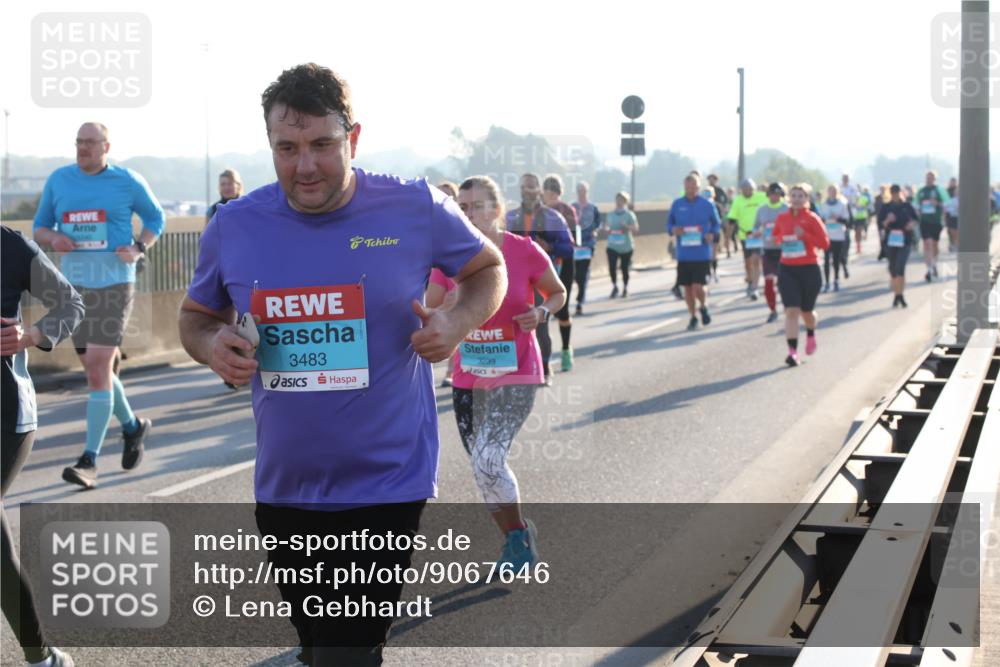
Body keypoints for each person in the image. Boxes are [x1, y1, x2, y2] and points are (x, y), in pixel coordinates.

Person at [179, 64, 506, 666]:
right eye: (288, 148)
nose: (305, 166)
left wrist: (456, 324)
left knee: (346, 656)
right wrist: (211, 346)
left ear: (353, 138)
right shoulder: (234, 224)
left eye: (323, 145)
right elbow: (196, 316)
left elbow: (488, 269)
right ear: (271, 146)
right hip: (286, 485)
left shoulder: (414, 206)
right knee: (317, 650)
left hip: (387, 478)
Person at [426, 176, 565, 570]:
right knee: (482, 467)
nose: (467, 213)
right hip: (468, 376)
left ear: (497, 209)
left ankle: (518, 540)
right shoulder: (449, 257)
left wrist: (540, 312)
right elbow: (426, 304)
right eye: (462, 206)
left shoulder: (525, 250)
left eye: (475, 205)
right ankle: (516, 535)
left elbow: (557, 293)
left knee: (488, 458)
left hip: (517, 371)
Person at [33, 122, 162, 489]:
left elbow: (156, 219)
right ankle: (133, 428)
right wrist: (54, 236)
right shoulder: (59, 180)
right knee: (98, 372)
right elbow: (39, 227)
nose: (83, 148)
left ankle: (89, 461)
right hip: (73, 289)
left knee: (96, 368)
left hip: (115, 285)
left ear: (107, 146)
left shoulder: (127, 181)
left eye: (90, 142)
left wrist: (139, 247)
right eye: (79, 142)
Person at [2, 226, 84, 667]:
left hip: (4, 415)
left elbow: (72, 304)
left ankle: (41, 657)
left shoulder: (10, 246)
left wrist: (30, 335)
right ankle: (42, 656)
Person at [506, 173, 572, 386]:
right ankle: (515, 368)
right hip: (514, 280)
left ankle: (544, 366)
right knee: (514, 325)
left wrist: (550, 247)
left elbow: (569, 247)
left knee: (540, 324)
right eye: (525, 187)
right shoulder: (509, 218)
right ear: (520, 189)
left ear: (539, 190)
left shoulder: (553, 217)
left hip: (540, 279)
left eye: (533, 187)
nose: (529, 191)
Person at [768, 184, 830, 366]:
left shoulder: (812, 219)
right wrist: (779, 239)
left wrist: (805, 236)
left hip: (809, 269)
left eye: (800, 196)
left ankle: (811, 333)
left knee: (807, 312)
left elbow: (825, 244)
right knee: (791, 311)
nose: (796, 199)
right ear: (788, 198)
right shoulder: (782, 217)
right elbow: (776, 236)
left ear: (806, 199)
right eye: (793, 195)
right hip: (787, 269)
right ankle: (792, 352)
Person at [667, 174, 720, 331]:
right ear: (684, 187)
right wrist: (674, 229)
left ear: (698, 187)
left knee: (698, 286)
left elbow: (717, 224)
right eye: (687, 187)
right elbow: (669, 225)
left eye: (693, 187)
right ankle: (693, 316)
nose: (690, 190)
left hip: (701, 253)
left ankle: (703, 306)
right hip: (684, 254)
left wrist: (712, 234)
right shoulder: (677, 204)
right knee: (687, 289)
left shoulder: (707, 205)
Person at [541, 175, 578, 372]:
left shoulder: (567, 211)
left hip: (564, 262)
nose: (551, 197)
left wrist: (551, 246)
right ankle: (543, 360)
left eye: (554, 193)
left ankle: (565, 349)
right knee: (541, 313)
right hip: (542, 265)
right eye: (547, 193)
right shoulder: (535, 212)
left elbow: (573, 241)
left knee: (562, 310)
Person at [751, 182, 788, 323]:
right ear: (768, 194)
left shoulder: (787, 209)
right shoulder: (762, 210)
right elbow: (755, 228)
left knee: (784, 283)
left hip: (784, 250)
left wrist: (782, 234)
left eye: (778, 194)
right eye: (772, 193)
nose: (775, 196)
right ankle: (772, 310)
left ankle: (787, 307)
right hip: (767, 250)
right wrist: (757, 232)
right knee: (768, 282)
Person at [877, 184, 919, 308]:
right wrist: (888, 221)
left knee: (901, 267)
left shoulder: (907, 206)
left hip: (905, 239)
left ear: (900, 193)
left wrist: (911, 224)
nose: (895, 194)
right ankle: (897, 294)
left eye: (897, 192)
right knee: (893, 268)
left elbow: (916, 219)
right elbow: (881, 225)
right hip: (891, 241)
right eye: (893, 192)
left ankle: (900, 294)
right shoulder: (886, 207)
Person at [436, 181, 461, 387]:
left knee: (459, 317)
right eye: (440, 195)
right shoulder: (427, 222)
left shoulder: (462, 227)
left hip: (455, 274)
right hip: (434, 278)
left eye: (449, 196)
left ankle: (452, 370)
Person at [728, 178, 767, 299]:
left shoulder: (761, 197)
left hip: (759, 234)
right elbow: (731, 220)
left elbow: (774, 203)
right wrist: (727, 238)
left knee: (756, 259)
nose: (747, 191)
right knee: (747, 262)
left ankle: (754, 286)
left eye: (749, 189)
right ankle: (750, 281)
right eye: (744, 189)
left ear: (753, 189)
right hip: (745, 235)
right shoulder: (738, 200)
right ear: (741, 190)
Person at [602, 192, 639, 299]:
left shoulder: (629, 215)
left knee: (624, 268)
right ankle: (614, 286)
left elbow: (636, 229)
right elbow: (606, 226)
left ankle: (625, 288)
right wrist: (607, 230)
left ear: (625, 202)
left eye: (621, 200)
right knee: (612, 267)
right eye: (617, 200)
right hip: (612, 245)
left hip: (626, 247)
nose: (619, 202)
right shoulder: (610, 215)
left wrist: (627, 227)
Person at [915, 171, 950, 282]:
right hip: (924, 221)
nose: (929, 179)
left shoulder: (940, 190)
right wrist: (918, 213)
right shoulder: (921, 191)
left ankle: (934, 263)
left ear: (935, 179)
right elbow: (915, 205)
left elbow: (948, 203)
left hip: (936, 221)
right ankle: (929, 269)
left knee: (934, 244)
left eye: (931, 177)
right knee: (927, 243)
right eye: (927, 177)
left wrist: (938, 204)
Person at [572, 181, 600, 315]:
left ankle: (579, 301)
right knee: (576, 275)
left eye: (583, 190)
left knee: (583, 274)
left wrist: (595, 231)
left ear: (587, 192)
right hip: (574, 246)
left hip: (588, 244)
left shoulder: (593, 208)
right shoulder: (572, 207)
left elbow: (598, 224)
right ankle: (580, 294)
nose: (581, 193)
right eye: (579, 191)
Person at [819, 184, 850, 292]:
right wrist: (826, 219)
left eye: (834, 191)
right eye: (830, 190)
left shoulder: (842, 204)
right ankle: (827, 282)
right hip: (827, 235)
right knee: (826, 259)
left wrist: (837, 218)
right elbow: (820, 220)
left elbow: (846, 220)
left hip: (838, 235)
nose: (832, 192)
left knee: (836, 259)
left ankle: (836, 280)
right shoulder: (823, 205)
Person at [851, 186, 873, 254]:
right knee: (856, 233)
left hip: (862, 217)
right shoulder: (852, 198)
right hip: (855, 217)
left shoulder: (864, 198)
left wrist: (864, 207)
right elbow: (850, 206)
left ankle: (859, 247)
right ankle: (858, 246)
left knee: (859, 231)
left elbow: (870, 205)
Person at [945, 177, 959, 251]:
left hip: (958, 216)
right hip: (950, 215)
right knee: (950, 230)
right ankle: (952, 244)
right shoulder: (947, 191)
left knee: (958, 231)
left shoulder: (959, 189)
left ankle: (957, 244)